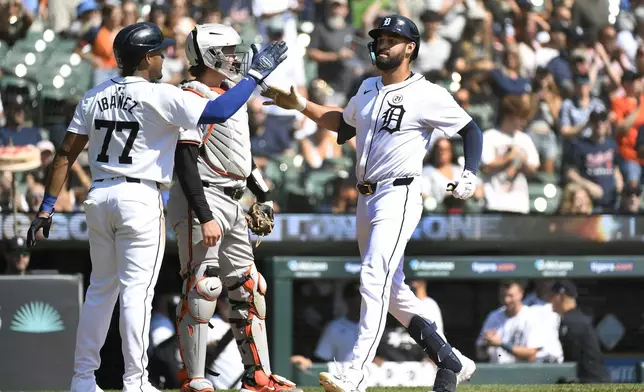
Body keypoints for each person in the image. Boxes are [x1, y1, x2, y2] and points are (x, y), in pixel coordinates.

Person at [25, 21, 288, 392]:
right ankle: (135, 382)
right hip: (140, 196)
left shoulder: (94, 94)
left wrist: (47, 208)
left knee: (101, 292)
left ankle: (83, 380)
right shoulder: (159, 94)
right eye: (159, 52)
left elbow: (65, 155)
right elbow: (219, 110)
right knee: (137, 294)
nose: (164, 57)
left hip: (100, 195)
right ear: (147, 58)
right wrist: (257, 75)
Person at [262, 14, 480, 392]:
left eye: (392, 39)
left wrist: (470, 173)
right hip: (366, 197)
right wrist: (301, 104)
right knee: (392, 293)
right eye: (379, 38)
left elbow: (470, 129)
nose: (382, 44)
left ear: (410, 47)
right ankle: (451, 359)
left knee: (372, 277)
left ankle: (356, 374)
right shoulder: (366, 87)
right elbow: (344, 125)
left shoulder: (426, 92)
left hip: (399, 192)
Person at [166, 24, 300, 392]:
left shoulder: (231, 93)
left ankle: (257, 377)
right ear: (207, 55)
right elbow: (185, 158)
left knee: (249, 287)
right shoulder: (190, 93)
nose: (235, 57)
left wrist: (264, 193)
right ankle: (195, 380)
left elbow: (240, 157)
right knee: (203, 287)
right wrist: (204, 213)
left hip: (232, 196)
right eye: (227, 50)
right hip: (201, 197)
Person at [549, 280, 610, 383]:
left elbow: (572, 358)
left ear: (561, 296)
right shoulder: (576, 318)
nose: (550, 300)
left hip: (591, 382)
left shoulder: (572, 321)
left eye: (552, 296)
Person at [476, 280, 549, 364]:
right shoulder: (493, 316)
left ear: (521, 293)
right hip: (497, 371)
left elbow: (532, 354)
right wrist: (487, 344)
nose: (506, 300)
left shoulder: (531, 316)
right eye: (503, 295)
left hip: (521, 372)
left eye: (510, 296)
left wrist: (500, 344)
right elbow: (480, 354)